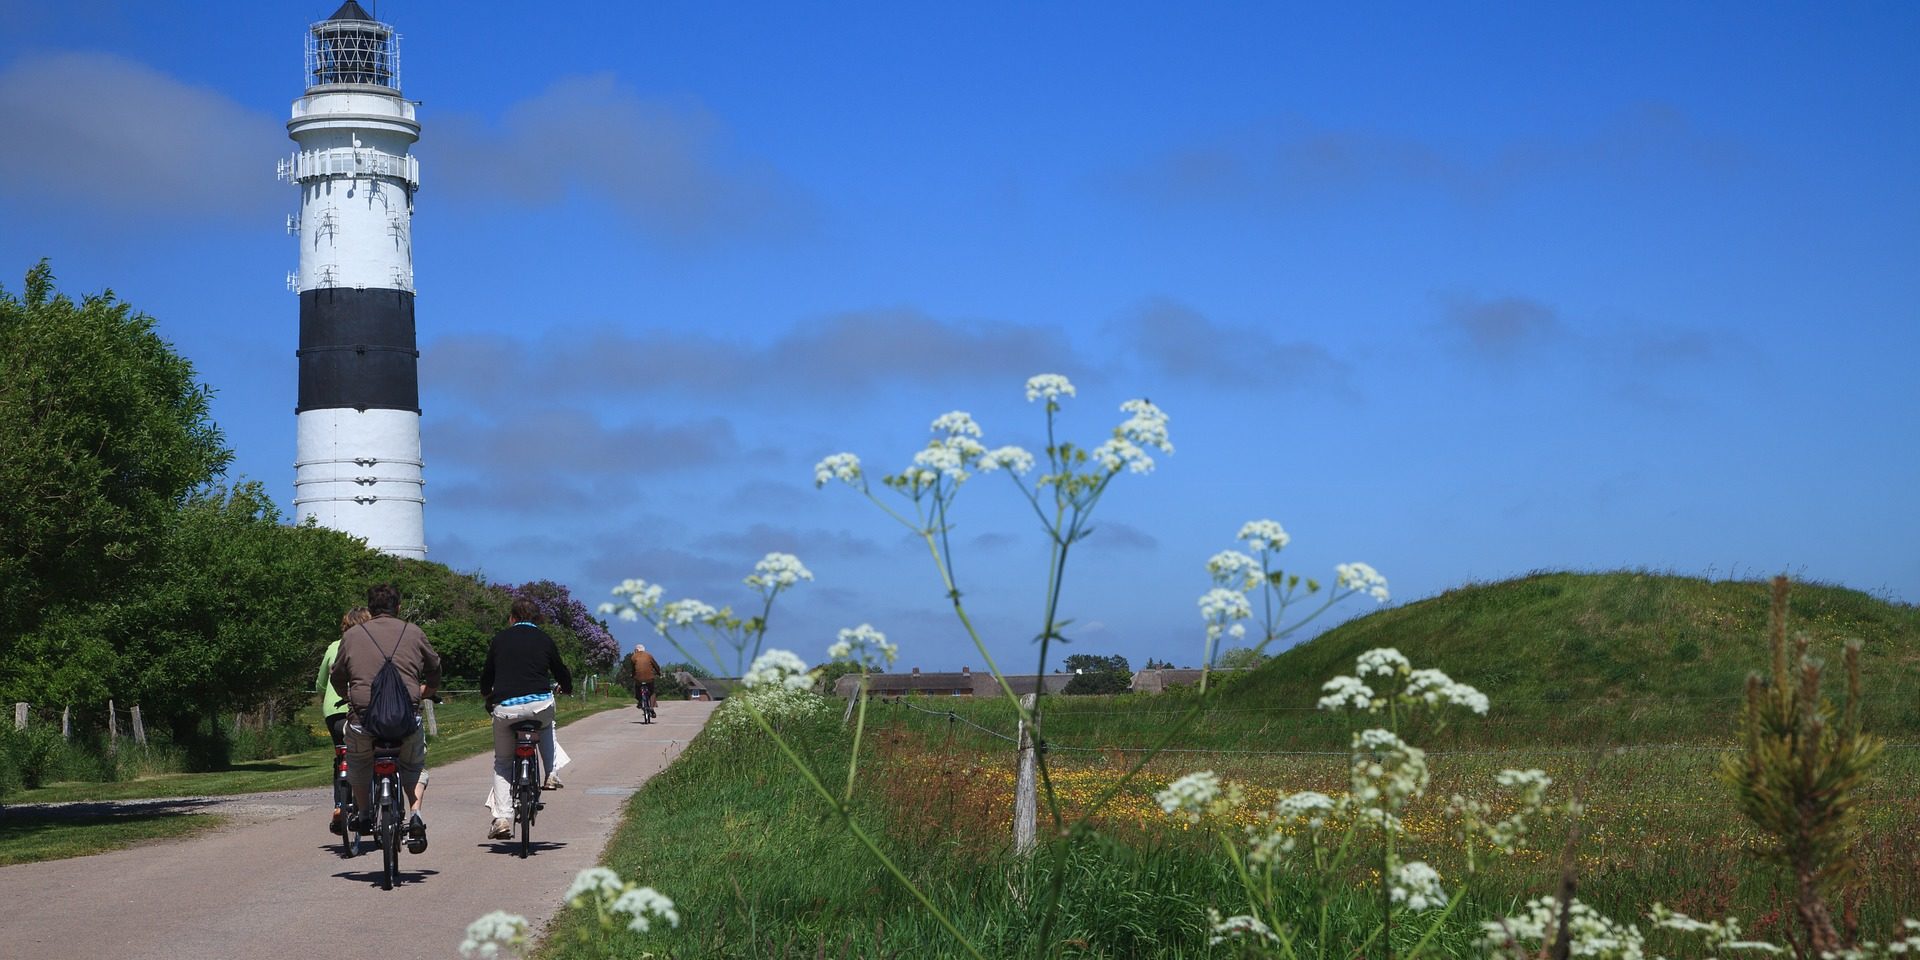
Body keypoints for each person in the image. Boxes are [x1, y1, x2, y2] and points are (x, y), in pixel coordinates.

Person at [329, 583, 440, 855]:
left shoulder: (352, 636)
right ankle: (415, 814)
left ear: (370, 608)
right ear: (398, 607)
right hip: (405, 718)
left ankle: (365, 813)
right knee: (413, 766)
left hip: (363, 719)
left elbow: (337, 674)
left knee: (358, 763)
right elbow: (435, 665)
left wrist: (350, 695)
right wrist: (428, 690)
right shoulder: (413, 632)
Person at [479, 599, 573, 840]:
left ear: (512, 618)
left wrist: (487, 693)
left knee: (503, 760)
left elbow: (487, 674)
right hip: (540, 704)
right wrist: (567, 686)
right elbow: (560, 670)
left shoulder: (500, 639)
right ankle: (551, 773)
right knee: (547, 725)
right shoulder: (544, 639)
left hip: (506, 709)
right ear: (536, 618)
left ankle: (501, 818)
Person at [316, 606, 371, 835]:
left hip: (333, 710)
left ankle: (339, 805)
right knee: (365, 755)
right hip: (359, 707)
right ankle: (364, 804)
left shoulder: (333, 647)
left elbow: (320, 683)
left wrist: (326, 697)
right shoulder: (370, 646)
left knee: (341, 756)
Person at [629, 643, 664, 721]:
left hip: (639, 679)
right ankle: (651, 707)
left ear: (637, 650)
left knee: (637, 688)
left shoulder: (633, 657)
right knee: (652, 691)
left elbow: (633, 669)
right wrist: (659, 673)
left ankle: (640, 701)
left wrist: (632, 675)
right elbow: (656, 666)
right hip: (649, 678)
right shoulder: (649, 655)